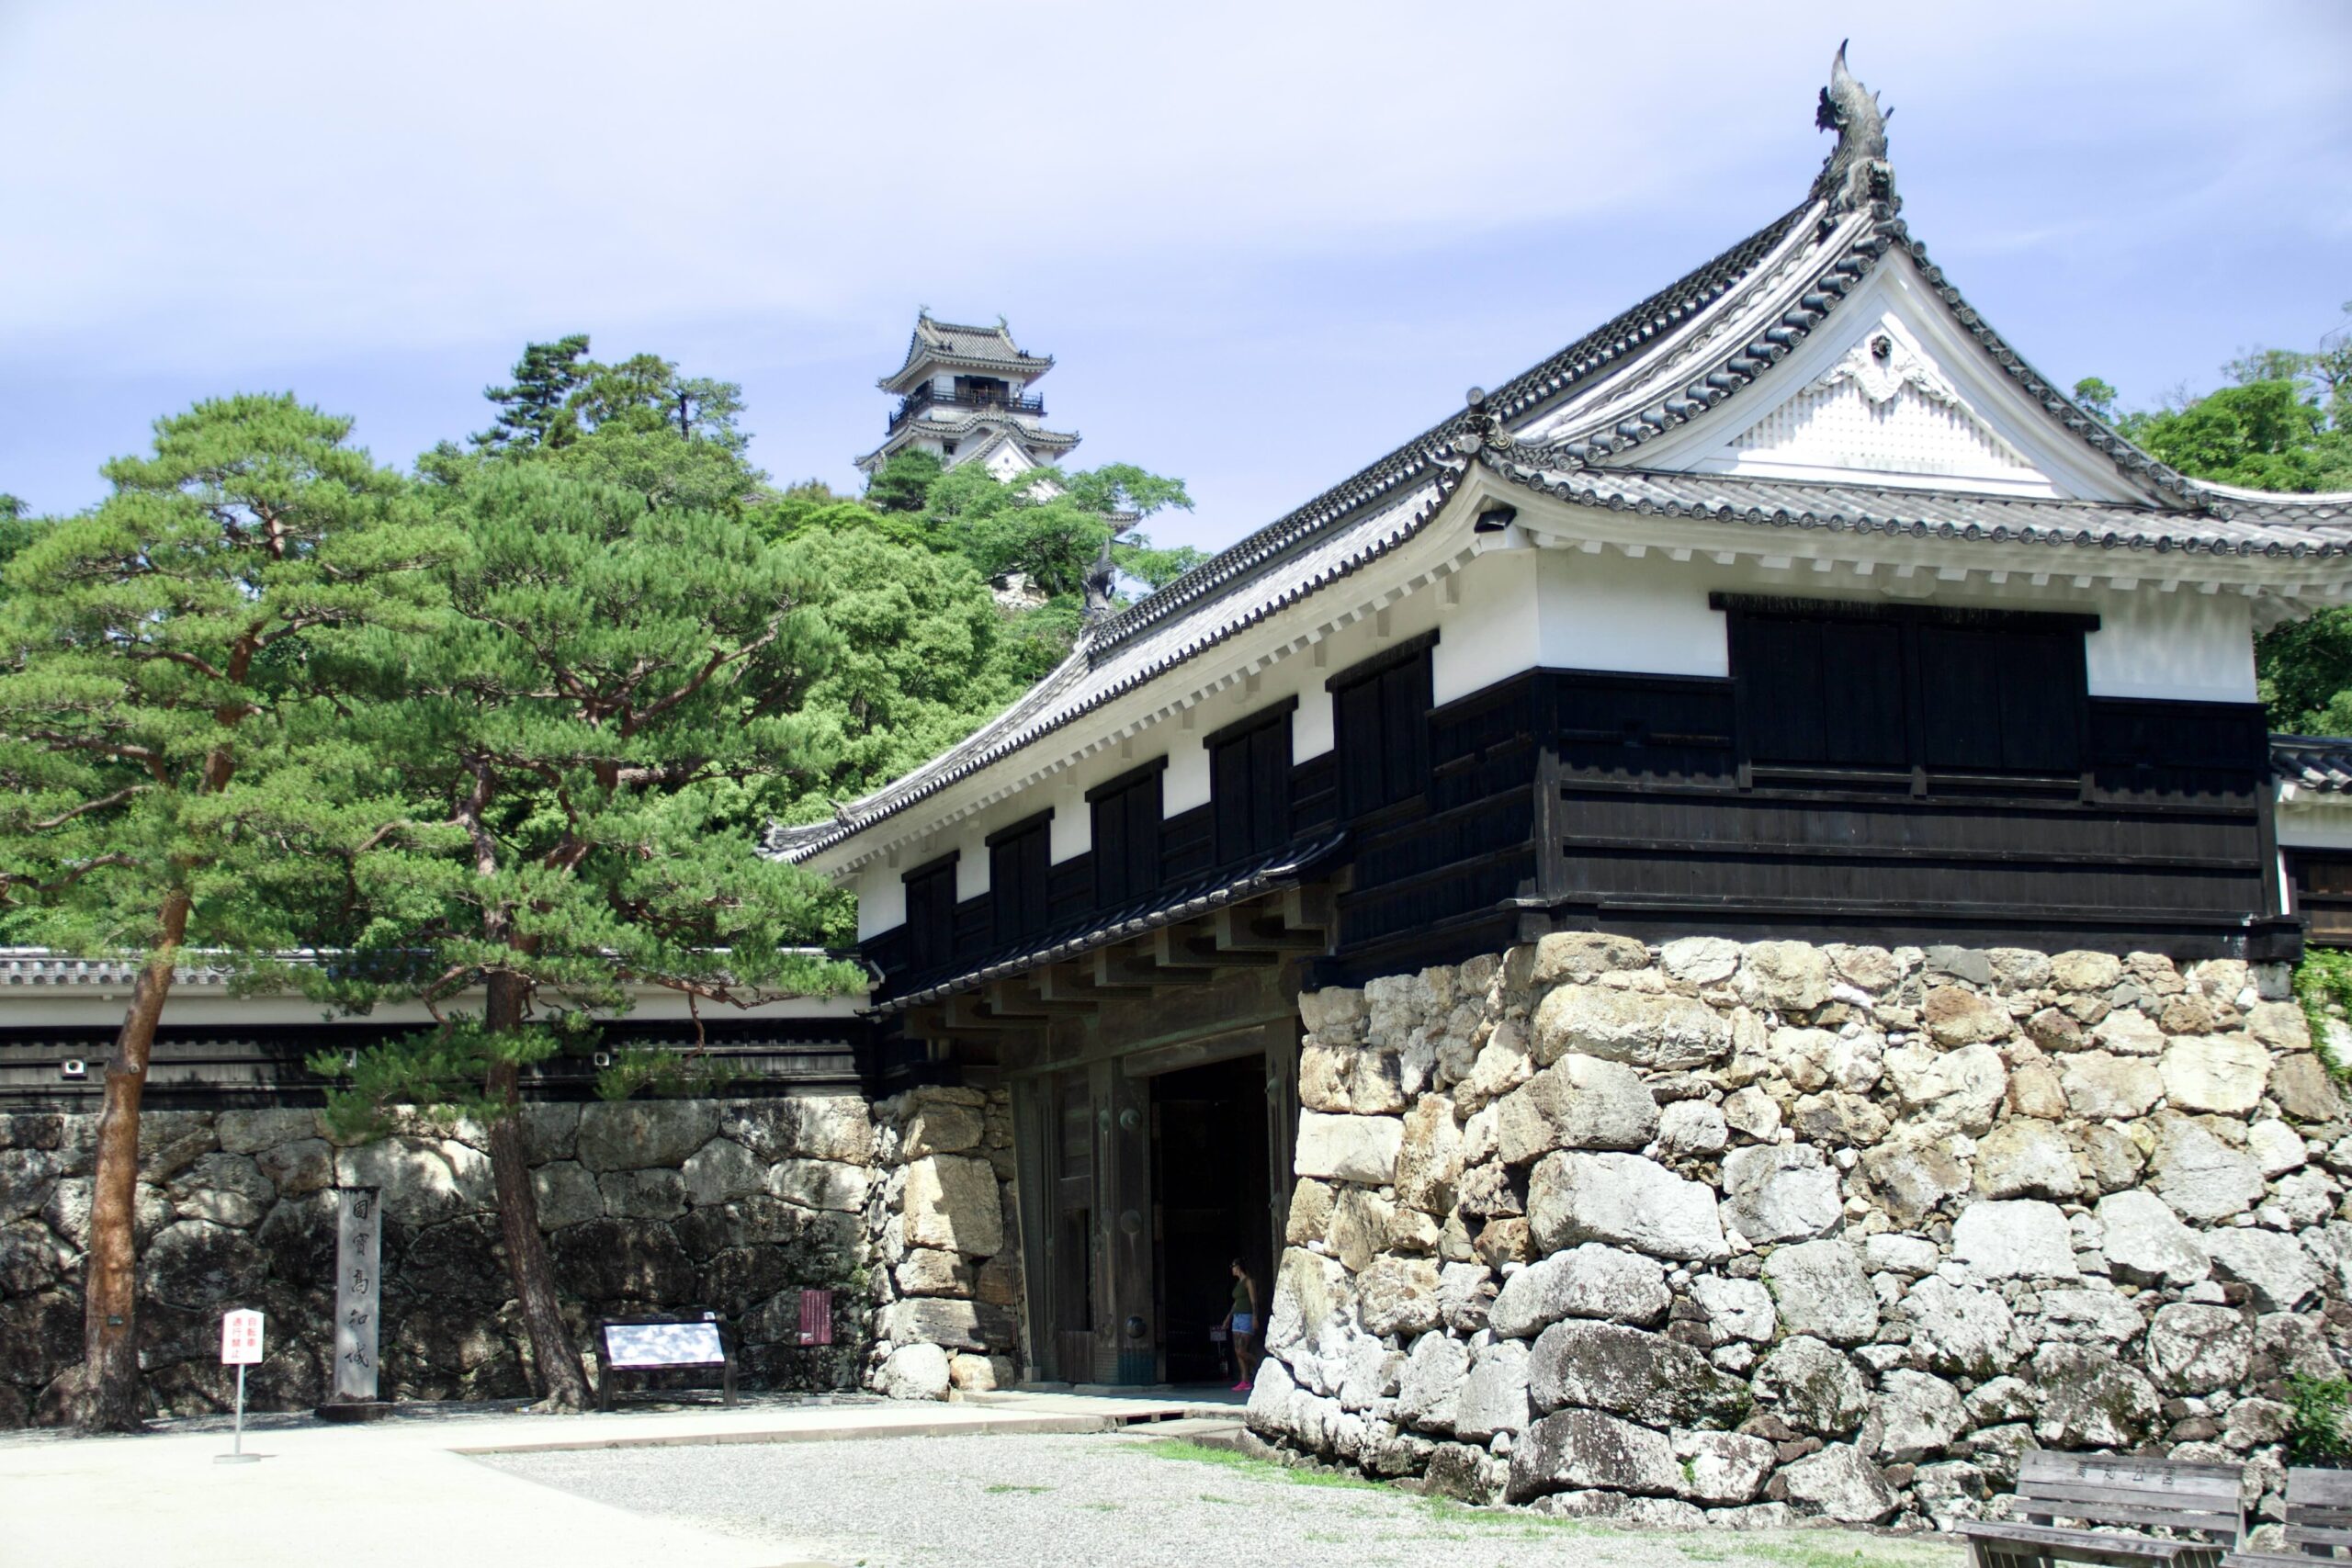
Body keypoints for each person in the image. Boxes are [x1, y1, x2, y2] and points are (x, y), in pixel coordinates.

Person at [1221, 1257, 1260, 1393]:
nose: (1231, 1269)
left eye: (1233, 1266)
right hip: (1237, 1317)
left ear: (1238, 1267)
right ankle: (1245, 1381)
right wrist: (1228, 1318)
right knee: (1237, 1351)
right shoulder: (1238, 1284)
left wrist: (1255, 1317)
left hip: (1246, 1317)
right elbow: (1236, 1303)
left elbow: (1253, 1300)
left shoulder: (1248, 1282)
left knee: (1241, 1350)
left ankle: (1259, 1366)